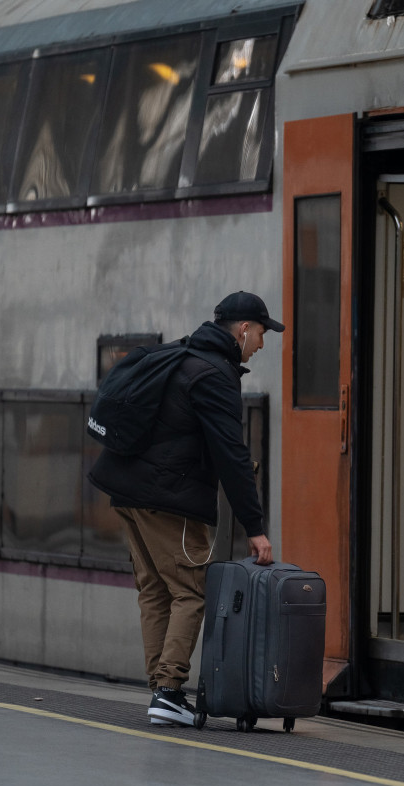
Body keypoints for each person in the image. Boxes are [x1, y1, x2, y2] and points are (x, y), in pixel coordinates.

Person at [88, 291, 284, 726]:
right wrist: (255, 527)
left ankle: (161, 692)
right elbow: (230, 453)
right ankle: (170, 688)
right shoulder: (215, 374)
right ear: (244, 329)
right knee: (191, 591)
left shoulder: (183, 353)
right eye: (263, 334)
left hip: (127, 491)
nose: (263, 344)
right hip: (168, 499)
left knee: (156, 590)